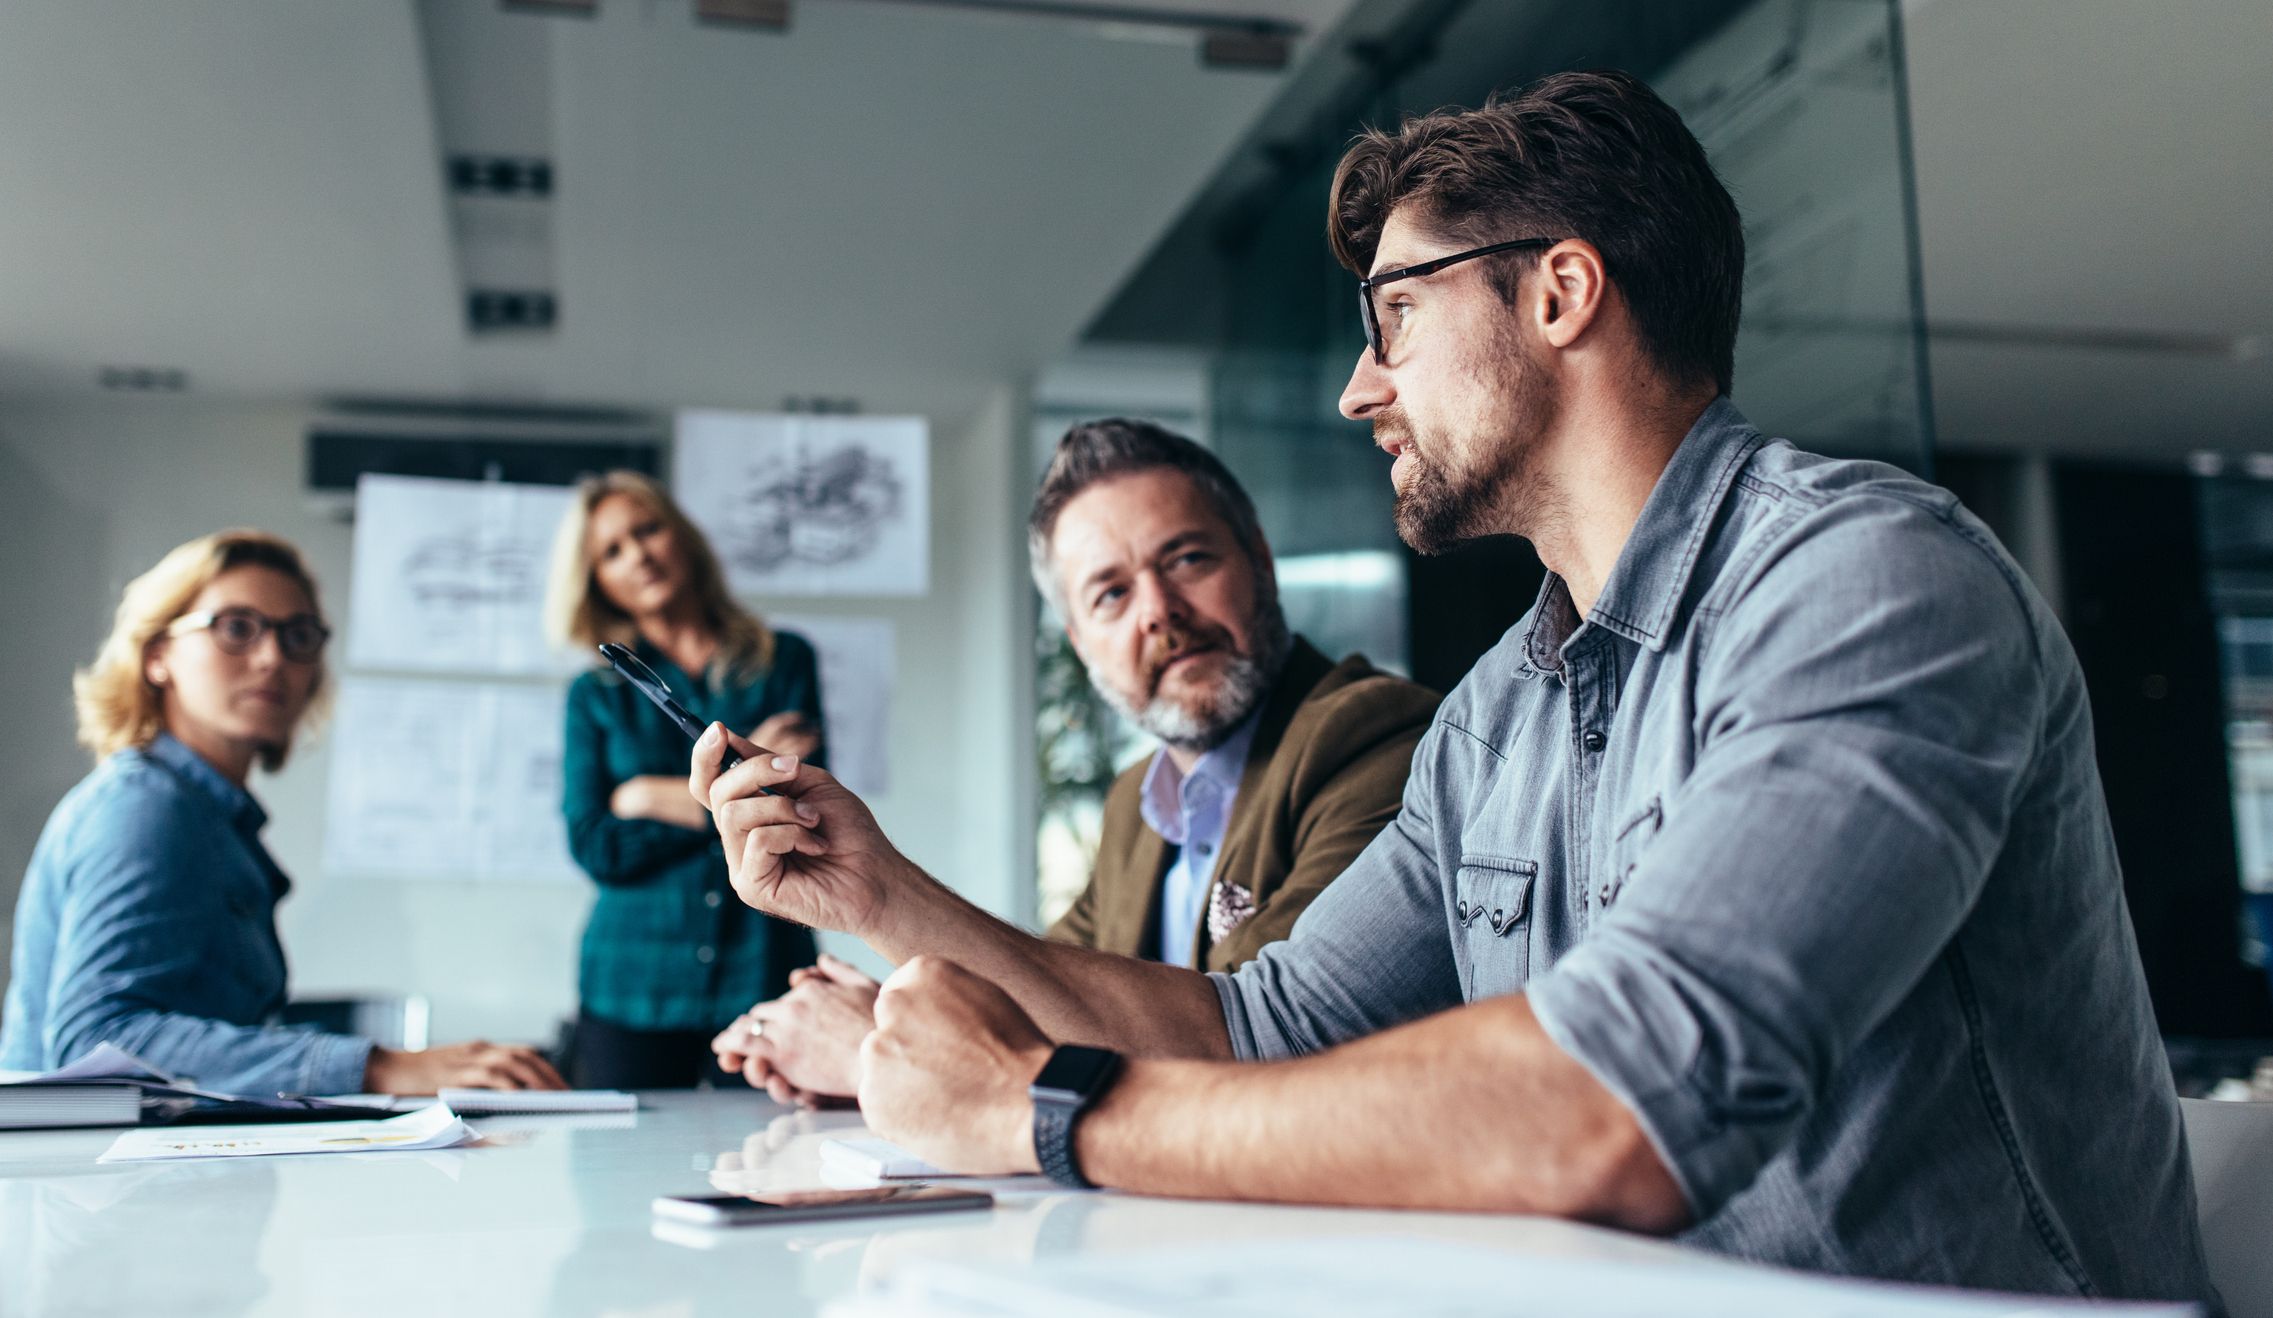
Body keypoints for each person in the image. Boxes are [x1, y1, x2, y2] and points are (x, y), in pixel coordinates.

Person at [691, 70, 2214, 1301]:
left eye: (1396, 314)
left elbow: (1622, 1097)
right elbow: (1255, 1027)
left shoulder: (1870, 583)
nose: (1362, 385)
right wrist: (881, 895)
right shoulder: (1498, 710)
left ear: (1560, 293)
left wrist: (1040, 1108)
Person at [710, 420, 1439, 1102]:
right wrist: (894, 1007)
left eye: (1186, 559)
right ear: (1079, 640)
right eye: (1111, 593)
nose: (1157, 610)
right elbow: (1047, 996)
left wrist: (878, 1045)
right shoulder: (1136, 803)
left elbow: (1250, 1046)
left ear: (1259, 560)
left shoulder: (1376, 738)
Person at [0, 530, 564, 1095]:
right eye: (236, 628)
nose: (273, 658)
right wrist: (378, 1067)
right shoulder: (146, 808)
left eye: (298, 637)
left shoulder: (211, 818)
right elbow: (95, 1042)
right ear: (157, 655)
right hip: (85, 1178)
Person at [548, 471, 825, 1089]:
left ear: (682, 537)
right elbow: (596, 844)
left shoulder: (785, 662)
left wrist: (644, 797)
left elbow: (799, 810)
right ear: (597, 581)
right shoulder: (594, 697)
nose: (639, 555)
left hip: (761, 971)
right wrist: (736, 793)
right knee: (620, 1179)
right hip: (631, 985)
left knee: (772, 1165)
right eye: (612, 551)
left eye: (648, 530)